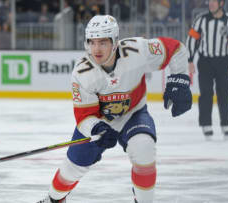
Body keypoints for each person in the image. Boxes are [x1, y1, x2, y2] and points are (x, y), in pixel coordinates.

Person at [37, 15, 192, 203]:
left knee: (144, 148)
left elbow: (176, 48)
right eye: (92, 42)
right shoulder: (82, 73)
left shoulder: (138, 50)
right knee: (72, 169)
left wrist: (181, 79)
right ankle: (53, 200)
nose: (96, 49)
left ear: (115, 42)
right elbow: (85, 116)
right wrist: (96, 128)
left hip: (133, 114)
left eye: (103, 42)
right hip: (100, 121)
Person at [186, 0, 228, 140]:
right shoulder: (201, 20)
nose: (210, 4)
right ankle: (206, 124)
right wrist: (190, 59)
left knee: (224, 93)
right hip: (205, 61)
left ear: (221, 3)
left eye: (213, 1)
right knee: (206, 93)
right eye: (209, 1)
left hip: (224, 61)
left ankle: (225, 122)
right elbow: (192, 39)